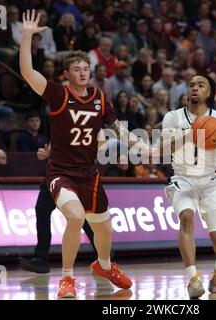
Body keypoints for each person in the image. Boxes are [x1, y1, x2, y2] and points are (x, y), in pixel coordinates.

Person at [20, 10, 135, 299]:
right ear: (67, 75)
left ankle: (104, 265)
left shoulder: (99, 97)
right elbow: (27, 73)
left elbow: (114, 126)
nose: (84, 72)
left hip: (89, 174)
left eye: (86, 68)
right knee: (74, 217)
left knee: (105, 230)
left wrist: (135, 142)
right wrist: (26, 36)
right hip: (60, 173)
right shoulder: (58, 94)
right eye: (78, 69)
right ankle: (67, 278)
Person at [161, 74, 216, 299]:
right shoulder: (173, 117)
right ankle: (193, 279)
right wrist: (190, 135)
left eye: (201, 85)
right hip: (183, 178)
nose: (194, 88)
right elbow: (165, 149)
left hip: (211, 181)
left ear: (209, 93)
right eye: (191, 85)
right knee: (186, 218)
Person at [19, 143, 97, 274]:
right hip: (53, 174)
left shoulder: (77, 128)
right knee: (43, 210)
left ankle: (102, 252)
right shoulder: (58, 126)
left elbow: (81, 152)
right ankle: (41, 258)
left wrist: (51, 154)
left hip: (69, 176)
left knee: (75, 215)